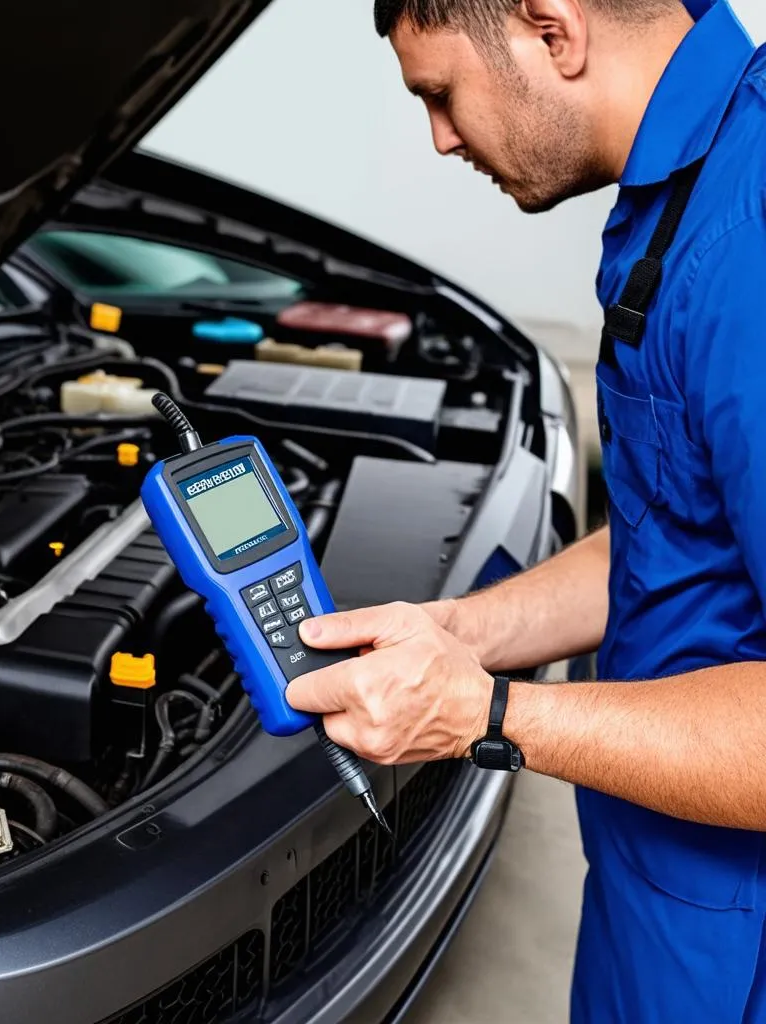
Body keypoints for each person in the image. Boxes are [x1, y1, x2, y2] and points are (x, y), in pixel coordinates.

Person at [283, 0, 766, 1019]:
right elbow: (678, 530)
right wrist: (459, 630)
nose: (440, 136)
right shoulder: (696, 183)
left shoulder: (747, 248)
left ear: (551, 29)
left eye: (440, 94)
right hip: (663, 884)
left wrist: (487, 713)